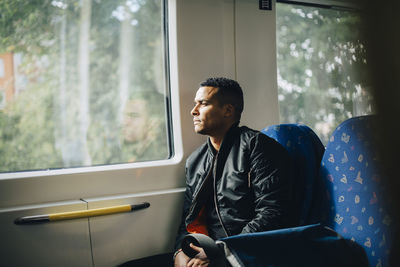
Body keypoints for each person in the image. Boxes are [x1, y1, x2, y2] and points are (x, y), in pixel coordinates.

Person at [174, 77, 293, 267]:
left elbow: (272, 213)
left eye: (202, 104)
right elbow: (188, 219)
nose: (193, 111)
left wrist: (221, 250)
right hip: (208, 249)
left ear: (228, 110)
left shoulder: (258, 147)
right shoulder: (195, 161)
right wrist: (180, 253)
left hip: (247, 251)